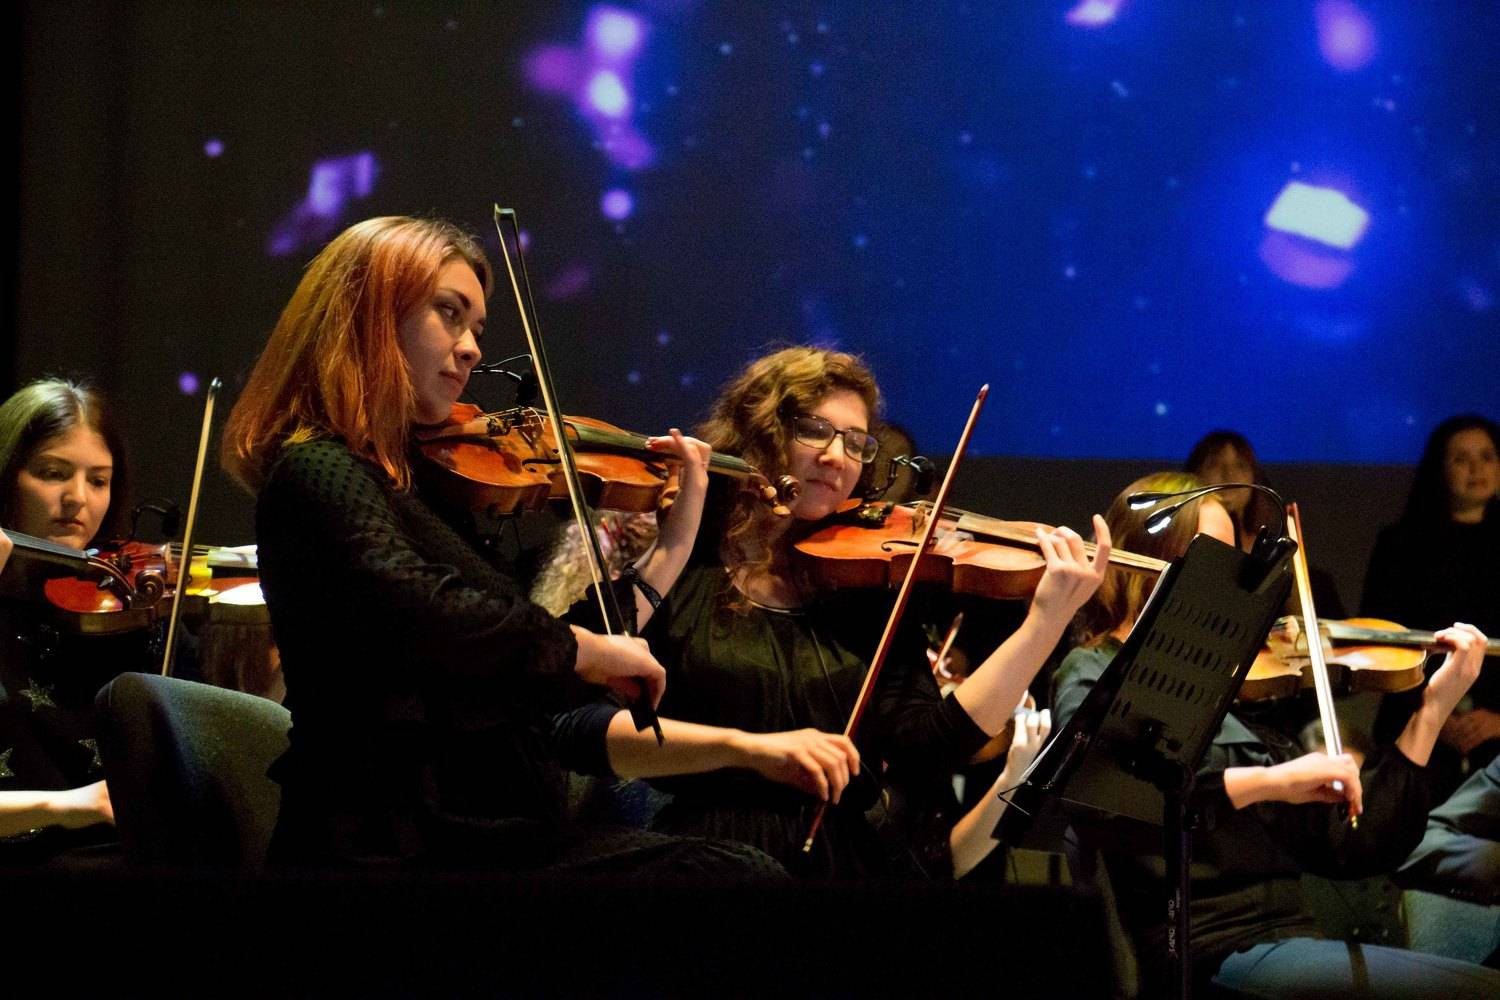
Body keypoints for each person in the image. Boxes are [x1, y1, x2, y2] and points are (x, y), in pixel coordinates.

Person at [220, 216, 766, 873]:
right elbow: (426, 610)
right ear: (369, 315)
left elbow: (524, 661)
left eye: (477, 327)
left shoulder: (427, 493)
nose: (473, 348)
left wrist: (671, 548)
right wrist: (581, 650)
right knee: (729, 875)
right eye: (449, 313)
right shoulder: (316, 470)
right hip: (390, 845)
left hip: (486, 839)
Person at [555, 346, 1111, 878]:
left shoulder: (864, 595)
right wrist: (749, 751)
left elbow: (927, 748)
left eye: (856, 442)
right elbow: (575, 727)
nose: (836, 457)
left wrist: (1044, 625)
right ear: (760, 433)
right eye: (814, 430)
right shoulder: (687, 569)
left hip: (844, 870)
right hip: (706, 863)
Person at [1053, 471, 1498, 996]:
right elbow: (1108, 797)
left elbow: (1354, 848)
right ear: (1155, 556)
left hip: (1294, 937)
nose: (1231, 577)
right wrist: (1274, 782)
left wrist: (1433, 709)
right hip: (1206, 947)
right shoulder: (1094, 668)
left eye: (1235, 558)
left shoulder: (1233, 690)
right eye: (1213, 555)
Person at [0, 379, 129, 856]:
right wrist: (66, 806)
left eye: (98, 481)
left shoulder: (127, 608)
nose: (78, 498)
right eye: (53, 473)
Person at [1363, 415, 1500, 798]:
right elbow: (1382, 638)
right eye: (1461, 458)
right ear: (1439, 469)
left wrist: (1496, 721)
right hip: (1414, 719)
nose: (1476, 469)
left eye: (1487, 456)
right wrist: (1434, 712)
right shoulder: (1400, 544)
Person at [1184, 428, 1346, 616]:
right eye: (1214, 465)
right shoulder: (1184, 544)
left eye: (1241, 466)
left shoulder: (1270, 550)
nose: (1229, 475)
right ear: (1195, 475)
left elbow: (1297, 619)